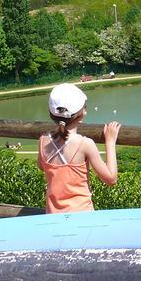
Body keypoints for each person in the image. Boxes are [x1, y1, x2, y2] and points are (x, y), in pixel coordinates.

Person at [38, 83, 121, 213]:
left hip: (53, 215)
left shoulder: (43, 140)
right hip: (82, 215)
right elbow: (111, 178)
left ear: (51, 113)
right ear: (82, 113)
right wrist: (110, 142)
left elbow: (41, 165)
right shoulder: (85, 144)